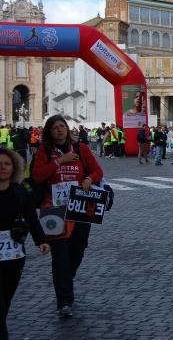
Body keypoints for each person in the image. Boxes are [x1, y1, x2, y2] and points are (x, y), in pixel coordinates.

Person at [31, 115, 104, 318]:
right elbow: (37, 176)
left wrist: (89, 178)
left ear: (67, 129)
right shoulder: (44, 151)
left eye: (62, 126)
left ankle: (66, 280)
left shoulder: (81, 149)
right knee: (60, 256)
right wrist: (59, 162)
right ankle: (64, 300)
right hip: (54, 209)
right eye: (54, 128)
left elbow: (97, 171)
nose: (59, 130)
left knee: (78, 250)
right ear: (49, 131)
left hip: (79, 206)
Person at [0, 147, 50, 338]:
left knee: (6, 302)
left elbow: (31, 217)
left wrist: (41, 240)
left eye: (7, 164)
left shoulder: (19, 191)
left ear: (14, 168)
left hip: (13, 256)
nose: (3, 167)